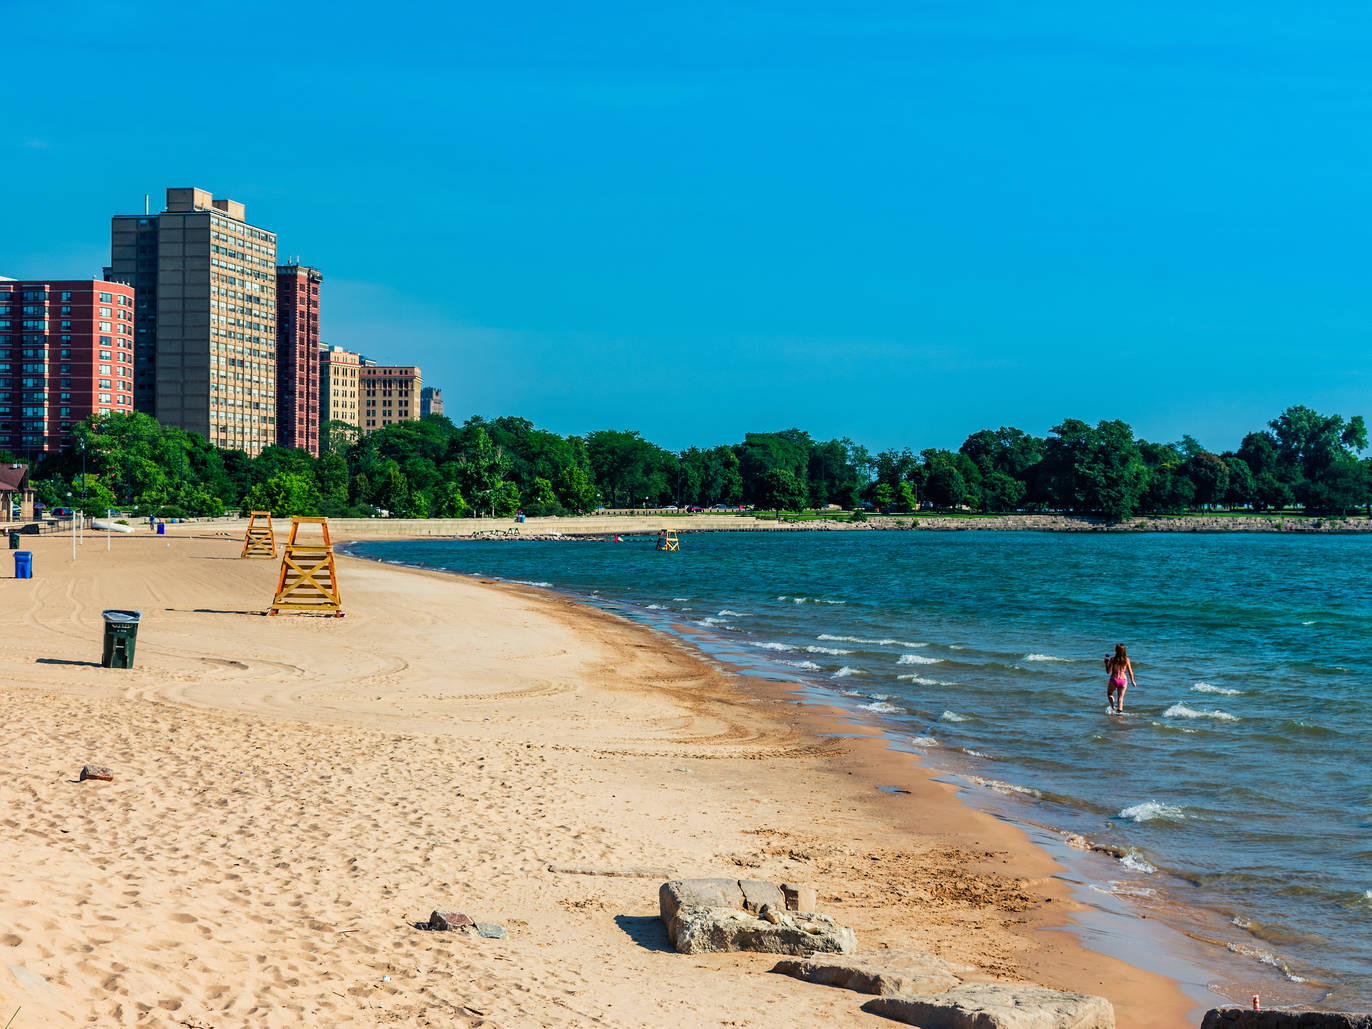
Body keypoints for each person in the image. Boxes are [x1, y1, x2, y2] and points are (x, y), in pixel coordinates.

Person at [1104, 643, 1136, 713]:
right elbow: (1130, 672)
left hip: (1114, 679)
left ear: (1116, 650)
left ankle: (1112, 707)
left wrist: (1106, 663)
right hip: (1123, 680)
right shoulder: (1127, 660)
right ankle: (1119, 714)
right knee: (1120, 698)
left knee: (1109, 693)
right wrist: (1133, 681)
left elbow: (1108, 671)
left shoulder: (1113, 659)